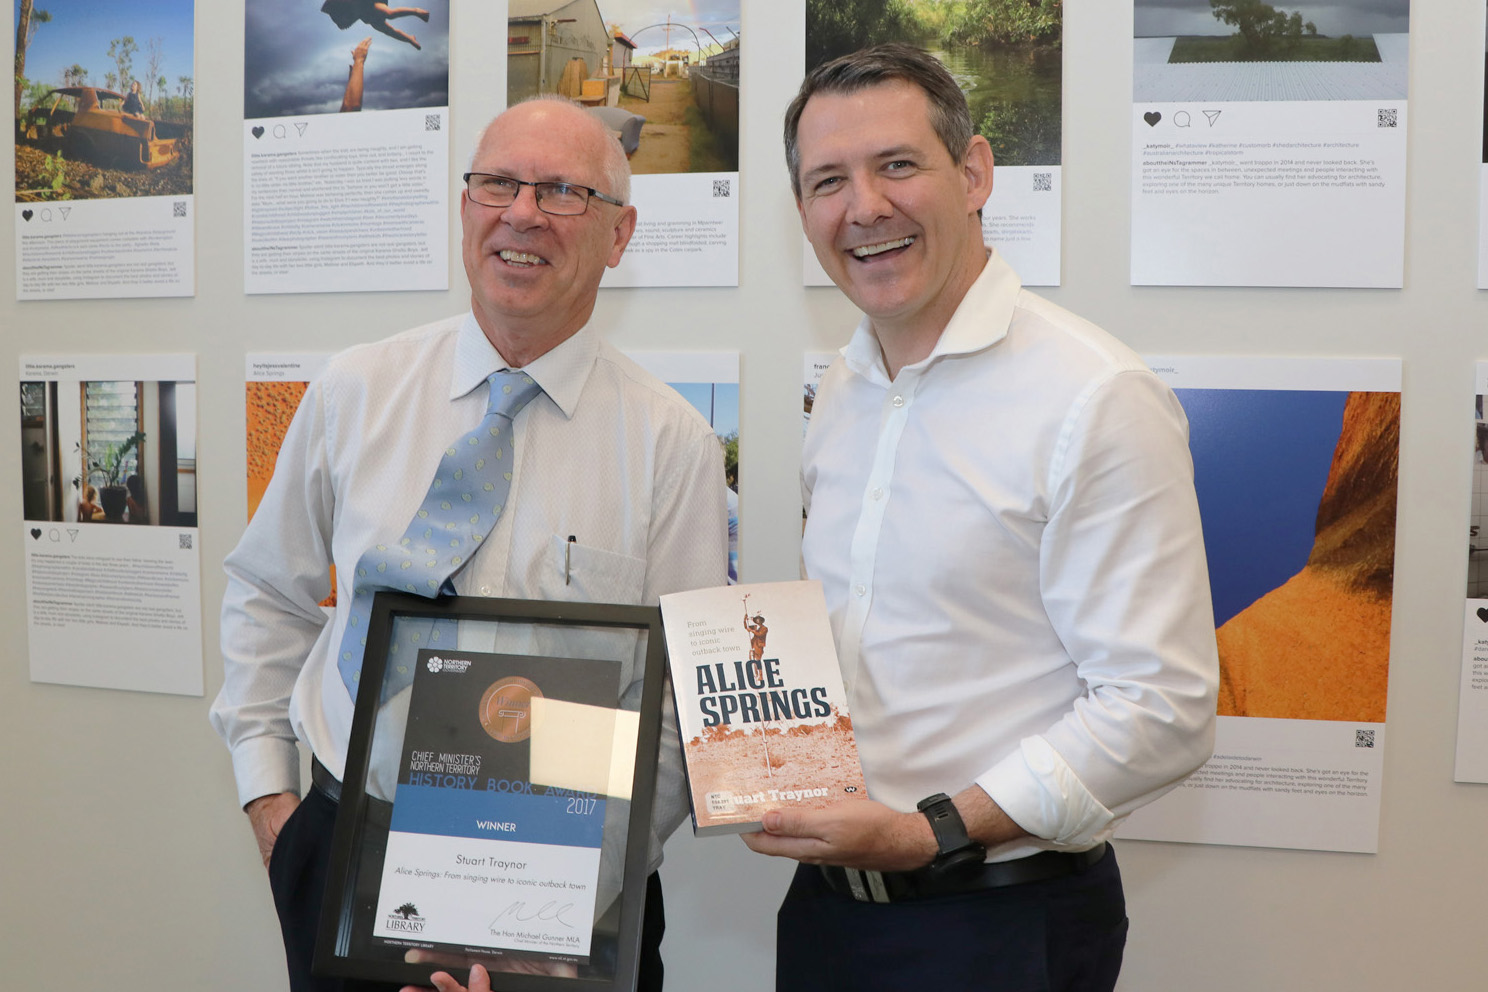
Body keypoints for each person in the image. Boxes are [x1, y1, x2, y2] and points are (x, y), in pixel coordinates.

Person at [211, 95, 728, 992]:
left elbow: (684, 703)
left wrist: (562, 890)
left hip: (569, 884)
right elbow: (267, 592)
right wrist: (272, 801)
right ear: (464, 207)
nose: (521, 213)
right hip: (346, 850)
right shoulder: (356, 391)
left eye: (563, 191)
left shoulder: (670, 442)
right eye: (497, 183)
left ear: (620, 234)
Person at [742, 44, 1220, 991]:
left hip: (999, 923)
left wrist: (933, 833)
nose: (863, 207)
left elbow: (1162, 711)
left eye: (897, 165)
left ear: (974, 174)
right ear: (801, 210)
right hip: (828, 914)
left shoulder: (1093, 394)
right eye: (827, 181)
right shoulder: (844, 385)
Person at [320, 1, 430, 51]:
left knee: (389, 13)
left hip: (371, 3)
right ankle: (410, 39)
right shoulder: (338, 10)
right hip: (367, 14)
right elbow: (342, 25)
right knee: (388, 30)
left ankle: (417, 11)